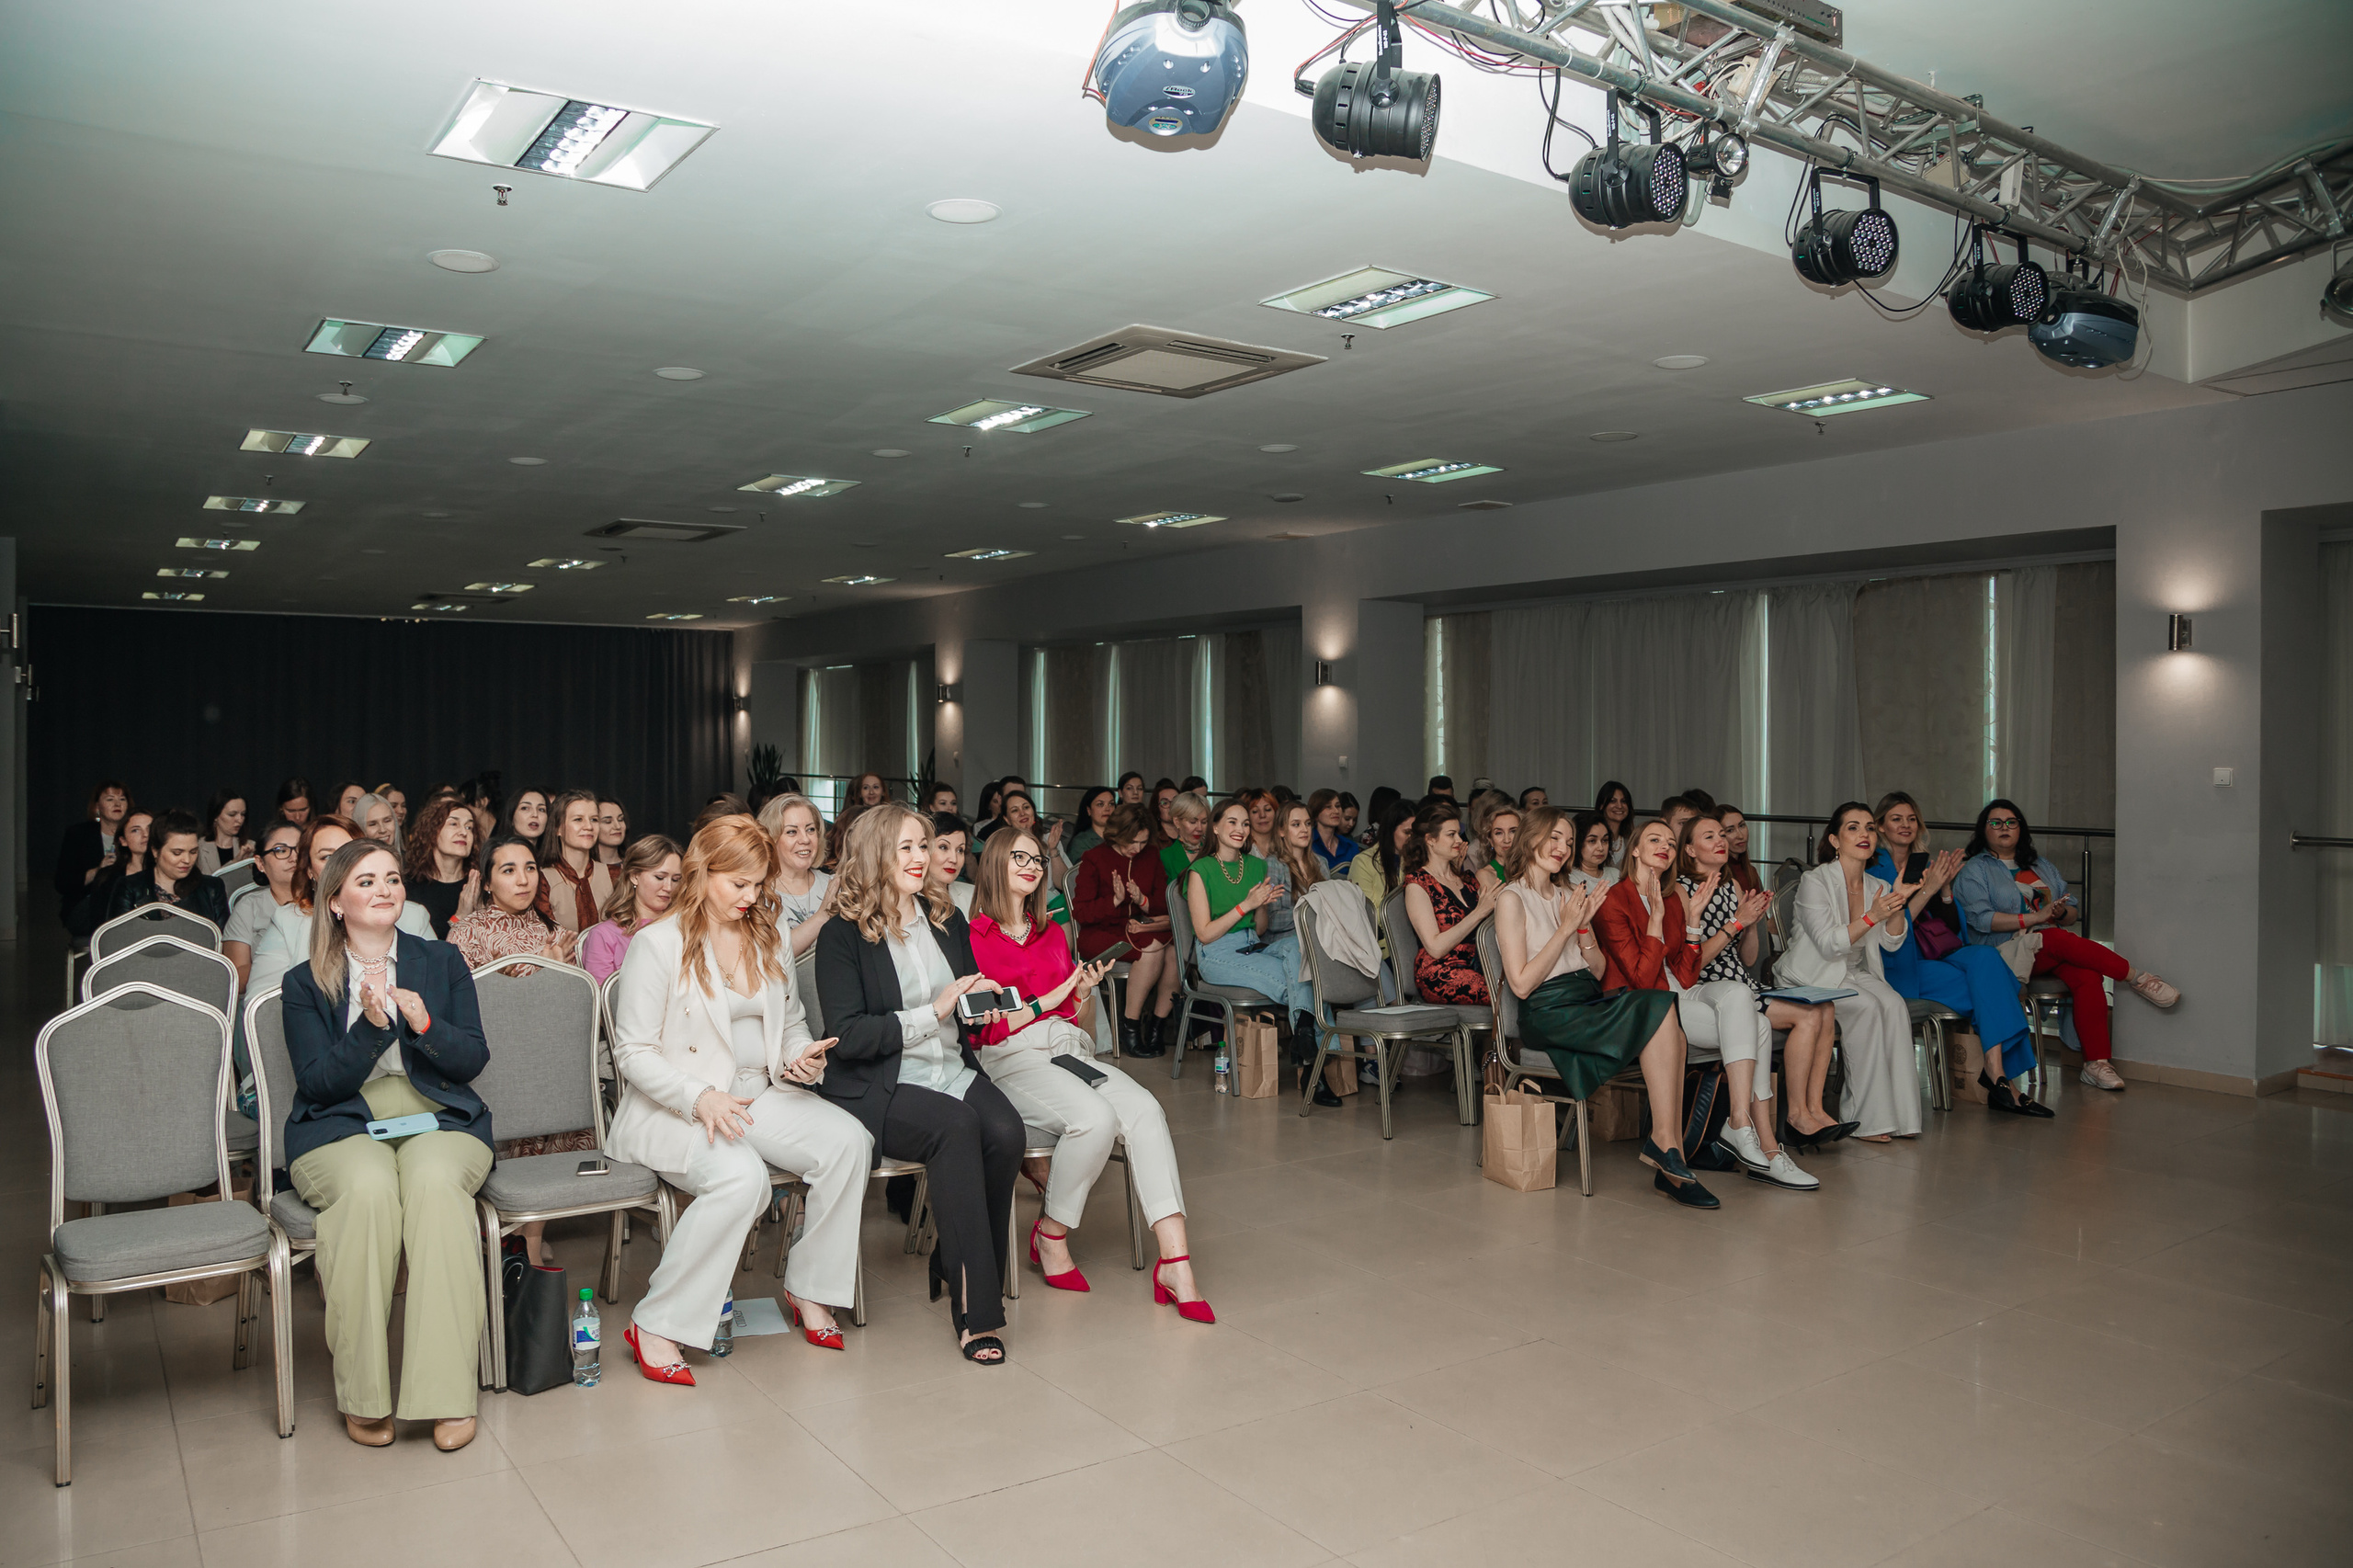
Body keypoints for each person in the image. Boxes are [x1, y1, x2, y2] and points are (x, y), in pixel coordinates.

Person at [607, 817, 871, 1377]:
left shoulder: (769, 935)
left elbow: (792, 1021)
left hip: (759, 1093)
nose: (751, 898)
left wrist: (801, 1055)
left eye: (759, 884)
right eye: (739, 885)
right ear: (703, 874)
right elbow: (632, 1054)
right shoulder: (657, 944)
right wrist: (700, 1097)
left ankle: (812, 1289)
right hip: (676, 1106)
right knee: (741, 1179)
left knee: (849, 1141)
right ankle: (656, 1321)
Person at [280, 837, 491, 1451]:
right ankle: (364, 1393)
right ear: (336, 901)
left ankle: (447, 1392)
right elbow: (318, 1082)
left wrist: (425, 1026)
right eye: (366, 881)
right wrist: (372, 1029)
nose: (384, 889)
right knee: (369, 1192)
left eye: (393, 879)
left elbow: (472, 1057)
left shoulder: (442, 961)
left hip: (436, 1113)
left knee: (432, 1188)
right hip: (341, 1119)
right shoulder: (305, 981)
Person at [813, 805, 1028, 1364]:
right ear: (876, 854)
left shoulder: (944, 916)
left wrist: (977, 1005)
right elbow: (848, 1036)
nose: (920, 858)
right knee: (956, 1128)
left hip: (950, 1068)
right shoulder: (842, 935)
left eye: (923, 846)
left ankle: (953, 1256)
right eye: (905, 847)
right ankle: (976, 1312)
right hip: (879, 1086)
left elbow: (961, 993)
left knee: (1006, 1132)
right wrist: (933, 1014)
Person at [965, 828, 1209, 1318]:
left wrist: (1078, 996)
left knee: (1144, 1110)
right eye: (1020, 857)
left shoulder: (1052, 931)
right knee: (1094, 1119)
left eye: (1037, 858)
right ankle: (1052, 1234)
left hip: (1065, 1048)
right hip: (1008, 1055)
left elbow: (1073, 1019)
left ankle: (1176, 1262)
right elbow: (980, 1029)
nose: (1033, 866)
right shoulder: (970, 938)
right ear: (994, 862)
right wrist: (1050, 1000)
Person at [1495, 808, 1710, 1206]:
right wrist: (1565, 927)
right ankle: (1669, 1153)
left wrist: (1581, 927)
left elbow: (1597, 969)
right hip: (1547, 1011)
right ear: (1531, 839)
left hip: (1584, 998)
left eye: (1568, 843)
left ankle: (1669, 1149)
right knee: (1659, 1008)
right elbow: (1522, 985)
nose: (1563, 849)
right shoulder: (1511, 898)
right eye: (1554, 839)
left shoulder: (1566, 895)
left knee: (1663, 1008)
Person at [1953, 799, 2178, 1092]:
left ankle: (2096, 1063)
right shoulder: (1975, 870)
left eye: (2011, 822)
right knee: (2055, 938)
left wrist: (2059, 913)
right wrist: (2035, 917)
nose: (2004, 828)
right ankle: (2137, 977)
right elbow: (1982, 920)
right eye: (1995, 823)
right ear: (1983, 831)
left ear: (2021, 828)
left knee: (2087, 975)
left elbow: (2071, 911)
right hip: (2003, 951)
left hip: (2049, 947)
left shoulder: (2040, 865)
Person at [1870, 793, 2045, 1116]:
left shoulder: (1922, 863)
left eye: (1911, 819)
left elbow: (1951, 927)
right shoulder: (1873, 867)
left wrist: (1946, 889)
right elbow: (1890, 929)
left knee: (1985, 958)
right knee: (1991, 988)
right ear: (1880, 825)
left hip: (1936, 951)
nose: (1905, 825)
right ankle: (2003, 1082)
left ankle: (1995, 1072)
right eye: (1896, 819)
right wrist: (1927, 889)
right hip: (1897, 962)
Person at [1675, 811, 1824, 1187]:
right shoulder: (1679, 889)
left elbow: (1749, 959)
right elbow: (1689, 965)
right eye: (1709, 836)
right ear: (1690, 850)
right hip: (1704, 987)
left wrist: (1752, 922)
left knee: (1815, 1008)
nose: (1721, 840)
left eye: (1722, 834)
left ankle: (1768, 1135)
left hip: (1738, 981)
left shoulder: (1731, 885)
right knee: (1788, 1016)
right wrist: (1737, 923)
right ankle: (1774, 1131)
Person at [1778, 804, 1923, 1142]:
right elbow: (1829, 945)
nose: (1864, 835)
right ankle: (1865, 1118)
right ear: (1835, 839)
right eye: (1853, 828)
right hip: (1813, 976)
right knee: (1869, 1009)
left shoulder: (1877, 883)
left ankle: (1902, 1118)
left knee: (1894, 1005)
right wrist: (1872, 915)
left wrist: (1898, 901)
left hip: (1854, 971)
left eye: (1870, 828)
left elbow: (1890, 942)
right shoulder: (1816, 881)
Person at [1184, 797, 1334, 1106]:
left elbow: (1261, 928)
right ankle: (1313, 1070)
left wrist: (1261, 906)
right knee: (1305, 981)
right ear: (1215, 827)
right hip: (1217, 953)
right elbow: (1204, 933)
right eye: (1233, 822)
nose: (1241, 829)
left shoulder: (1255, 865)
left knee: (1297, 948)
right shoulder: (1200, 870)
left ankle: (1305, 1040)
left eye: (1245, 824)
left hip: (1254, 944)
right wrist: (1246, 905)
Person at [1072, 802, 1178, 1056]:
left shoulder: (1150, 855)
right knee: (1152, 949)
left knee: (1175, 954)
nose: (1136, 849)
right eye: (1132, 842)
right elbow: (1082, 913)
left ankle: (1155, 1026)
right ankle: (1130, 1026)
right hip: (1100, 934)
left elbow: (1165, 903)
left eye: (1142, 842)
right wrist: (1115, 902)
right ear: (1117, 834)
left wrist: (1143, 901)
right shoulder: (1095, 858)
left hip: (1140, 929)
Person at [1401, 804, 1494, 1006]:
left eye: (1459, 834)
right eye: (1451, 835)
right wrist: (1478, 913)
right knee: (1505, 991)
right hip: (1440, 972)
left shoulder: (1467, 880)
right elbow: (1435, 947)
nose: (1459, 841)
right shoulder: (1418, 884)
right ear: (1430, 840)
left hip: (1478, 964)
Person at [449, 837, 576, 973]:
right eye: (509, 871)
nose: (523, 880)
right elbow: (456, 992)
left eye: (530, 868)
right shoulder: (465, 934)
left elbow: (575, 993)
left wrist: (553, 972)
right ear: (487, 883)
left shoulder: (557, 935)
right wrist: (491, 982)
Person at [105, 806, 233, 927]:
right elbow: (117, 940)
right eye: (177, 853)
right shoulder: (129, 887)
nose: (187, 860)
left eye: (193, 852)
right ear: (155, 851)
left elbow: (224, 941)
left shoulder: (212, 887)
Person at [580, 835, 684, 984]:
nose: (668, 888)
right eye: (660, 877)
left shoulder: (683, 927)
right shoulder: (604, 935)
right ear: (634, 876)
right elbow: (604, 1000)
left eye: (675, 880)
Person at [224, 818, 301, 992]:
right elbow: (236, 974)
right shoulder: (248, 906)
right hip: (264, 1000)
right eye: (281, 851)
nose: (294, 857)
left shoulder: (327, 901)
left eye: (300, 849)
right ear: (260, 863)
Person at [760, 792, 835, 958]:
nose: (805, 839)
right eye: (792, 832)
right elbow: (771, 957)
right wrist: (823, 915)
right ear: (771, 839)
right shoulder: (756, 894)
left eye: (810, 829)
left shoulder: (835, 885)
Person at [534, 789, 617, 935]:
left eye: (594, 819)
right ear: (557, 828)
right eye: (578, 819)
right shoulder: (542, 881)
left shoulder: (615, 875)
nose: (589, 826)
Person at [401, 798, 482, 940]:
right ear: (432, 832)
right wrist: (459, 918)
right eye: (454, 824)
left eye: (469, 827)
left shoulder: (479, 884)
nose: (463, 832)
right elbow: (422, 949)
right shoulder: (409, 888)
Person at [54, 780, 134, 918]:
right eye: (110, 799)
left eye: (122, 799)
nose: (117, 804)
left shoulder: (137, 834)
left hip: (129, 905)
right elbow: (63, 884)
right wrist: (98, 871)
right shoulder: (78, 835)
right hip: (88, 906)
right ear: (97, 807)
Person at [1160, 790, 1210, 892]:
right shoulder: (1165, 857)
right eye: (1193, 822)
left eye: (1204, 822)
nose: (1199, 828)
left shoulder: (1213, 852)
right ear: (1177, 821)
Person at [198, 790, 253, 875]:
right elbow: (209, 883)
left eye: (243, 814)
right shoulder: (199, 847)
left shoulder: (251, 847)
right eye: (232, 814)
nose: (240, 820)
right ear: (215, 816)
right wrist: (235, 862)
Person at [1306, 788, 1359, 870]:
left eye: (1338, 806)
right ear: (1316, 813)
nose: (1336, 811)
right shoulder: (1306, 844)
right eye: (1328, 807)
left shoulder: (1351, 846)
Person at [1067, 786, 1116, 861]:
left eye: (1111, 804)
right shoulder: (1081, 841)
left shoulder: (1122, 836)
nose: (1107, 809)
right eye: (1100, 804)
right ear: (1089, 810)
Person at [1593, 780, 1634, 868]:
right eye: (1612, 801)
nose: (1619, 806)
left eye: (1623, 801)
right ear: (1601, 805)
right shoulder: (1592, 839)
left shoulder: (1633, 840)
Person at [1480, 802, 1520, 883]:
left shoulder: (1532, 870)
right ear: (1491, 840)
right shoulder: (1485, 875)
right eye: (1499, 833)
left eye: (1513, 831)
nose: (1506, 840)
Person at [1244, 789, 1279, 860]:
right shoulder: (1242, 848)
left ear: (1276, 812)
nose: (1262, 815)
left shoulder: (1286, 847)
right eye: (1255, 811)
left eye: (1268, 809)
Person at [595, 799, 629, 867]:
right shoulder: (580, 869)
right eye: (608, 821)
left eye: (620, 820)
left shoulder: (635, 867)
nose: (618, 826)